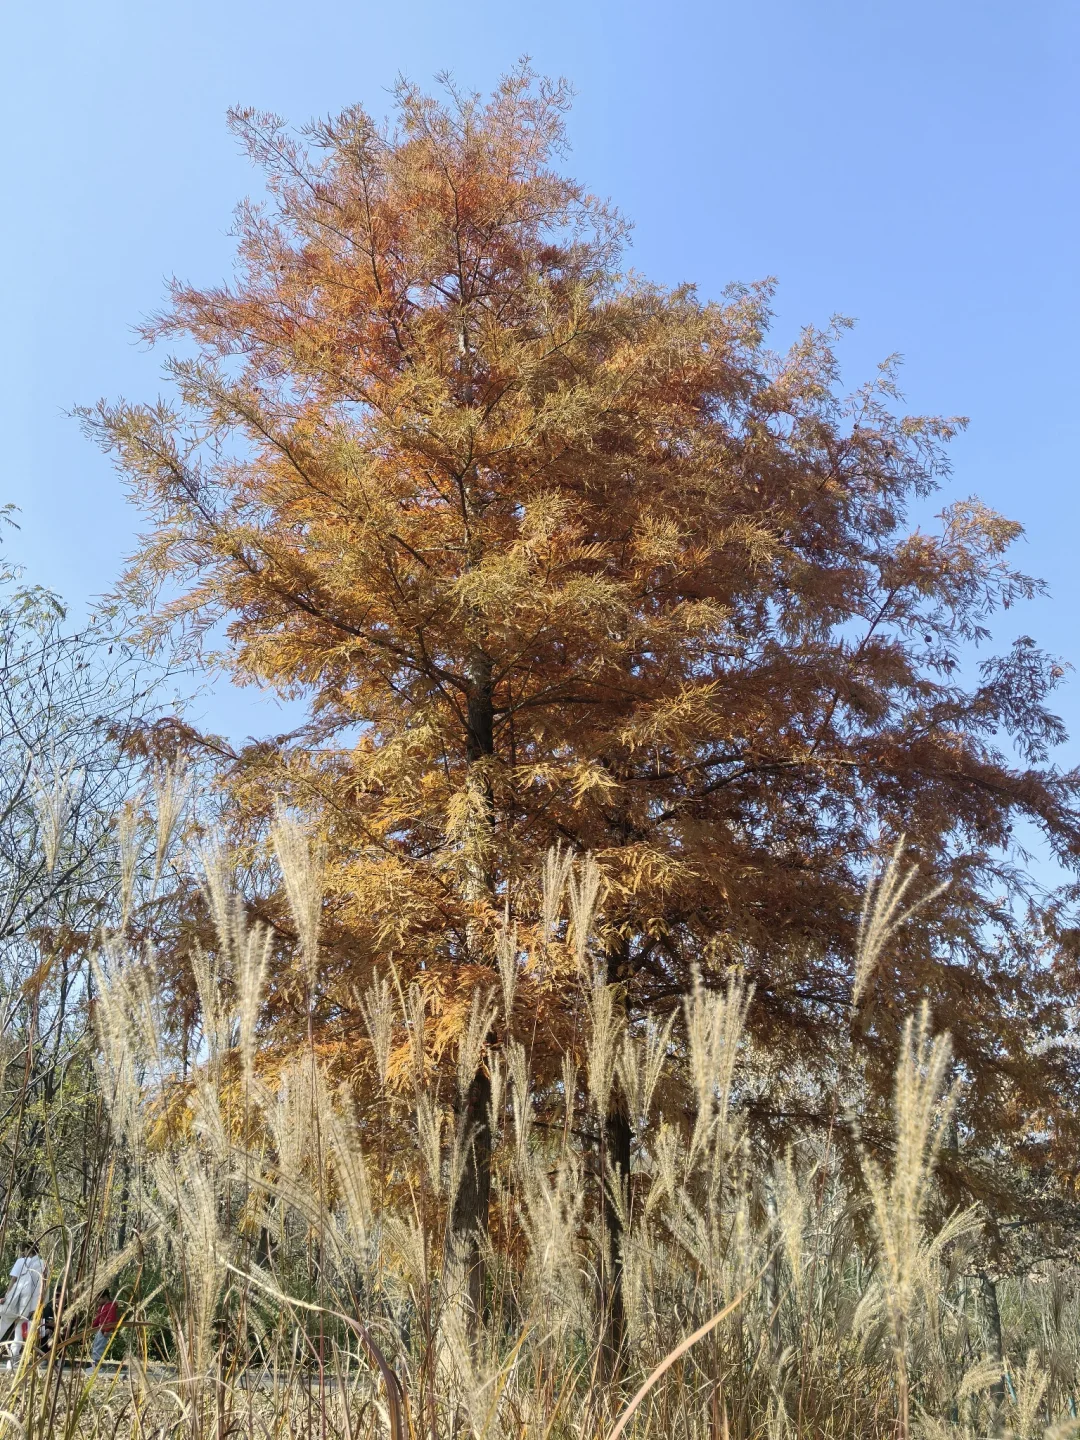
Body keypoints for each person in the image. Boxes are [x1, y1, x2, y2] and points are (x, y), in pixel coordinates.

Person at [0, 1254, 46, 1365]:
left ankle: (14, 1357)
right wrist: (39, 1304)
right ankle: (14, 1357)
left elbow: (13, 1280)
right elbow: (43, 1286)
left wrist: (7, 1297)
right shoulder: (43, 1263)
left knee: (3, 1325)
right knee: (19, 1330)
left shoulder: (21, 1261)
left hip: (14, 1300)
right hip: (29, 1303)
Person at [90, 1289, 120, 1365]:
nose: (98, 1301)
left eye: (99, 1299)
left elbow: (111, 1319)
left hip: (104, 1331)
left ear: (105, 1297)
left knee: (99, 1347)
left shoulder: (111, 1306)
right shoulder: (101, 1307)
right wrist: (93, 1327)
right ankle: (94, 1364)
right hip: (100, 1329)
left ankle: (96, 1365)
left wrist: (107, 1330)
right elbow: (98, 1318)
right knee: (96, 1346)